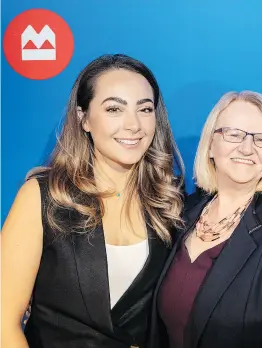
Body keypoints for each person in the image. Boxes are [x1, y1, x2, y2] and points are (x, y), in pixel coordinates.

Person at [1, 54, 184, 348]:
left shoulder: (170, 203)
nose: (133, 125)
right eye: (114, 109)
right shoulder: (43, 196)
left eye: (145, 109)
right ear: (83, 117)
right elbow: (4, 322)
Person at [148, 91, 262, 348]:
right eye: (233, 134)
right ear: (211, 145)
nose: (246, 148)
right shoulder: (182, 213)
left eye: (261, 139)